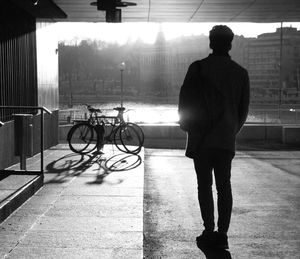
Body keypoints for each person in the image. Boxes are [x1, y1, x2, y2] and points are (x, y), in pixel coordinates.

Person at [178, 25, 250, 250]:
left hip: (201, 139)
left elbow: (184, 103)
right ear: (230, 44)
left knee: (204, 186)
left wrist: (190, 127)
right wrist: (229, 131)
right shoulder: (240, 73)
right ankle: (223, 233)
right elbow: (243, 111)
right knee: (224, 186)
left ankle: (208, 229)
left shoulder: (197, 68)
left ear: (210, 43)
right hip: (225, 139)